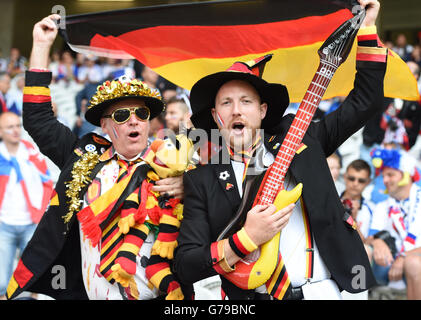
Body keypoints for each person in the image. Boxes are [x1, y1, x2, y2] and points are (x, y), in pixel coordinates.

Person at [174, 0, 385, 300]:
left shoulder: (302, 139)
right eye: (226, 103)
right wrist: (245, 239)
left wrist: (366, 27)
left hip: (330, 290)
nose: (237, 111)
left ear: (262, 110)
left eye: (246, 101)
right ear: (215, 117)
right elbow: (187, 265)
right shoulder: (202, 179)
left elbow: (366, 102)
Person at [5, 14, 191, 300]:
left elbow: (222, 187)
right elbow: (38, 119)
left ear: (149, 122)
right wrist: (41, 46)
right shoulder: (84, 155)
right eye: (121, 115)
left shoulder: (173, 163)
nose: (133, 121)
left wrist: (189, 183)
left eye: (141, 113)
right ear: (104, 126)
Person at [0, 112, 53, 300]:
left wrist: (42, 211)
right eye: (10, 127)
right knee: (1, 281)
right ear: (0, 132)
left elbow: (47, 180)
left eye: (17, 126)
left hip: (31, 222)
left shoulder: (30, 151)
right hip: (3, 224)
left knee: (34, 276)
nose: (15, 131)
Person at [366, 148, 421, 299]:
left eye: (390, 175)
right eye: (383, 176)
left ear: (406, 175)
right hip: (388, 267)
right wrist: (377, 242)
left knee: (413, 262)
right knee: (366, 250)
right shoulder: (382, 205)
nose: (385, 180)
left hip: (414, 262)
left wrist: (404, 257)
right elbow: (369, 237)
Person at [340, 160, 374, 242]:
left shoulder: (373, 209)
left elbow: (366, 244)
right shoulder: (332, 202)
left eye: (361, 181)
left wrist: (353, 220)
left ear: (368, 182)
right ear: (344, 177)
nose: (355, 184)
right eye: (352, 178)